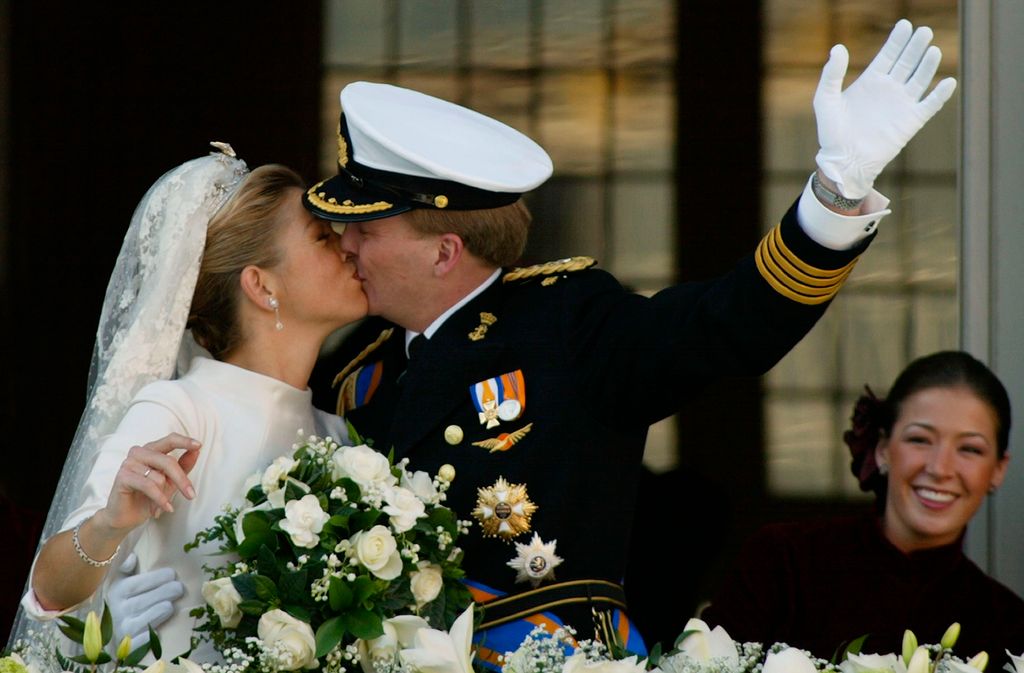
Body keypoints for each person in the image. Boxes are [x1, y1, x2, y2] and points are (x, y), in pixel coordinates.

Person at [300, 19, 955, 665]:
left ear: (444, 251)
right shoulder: (360, 365)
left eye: (368, 229)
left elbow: (724, 325)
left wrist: (835, 197)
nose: (346, 243)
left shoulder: (568, 324)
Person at [9, 144, 368, 662]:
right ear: (262, 285)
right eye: (321, 237)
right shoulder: (180, 409)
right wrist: (109, 523)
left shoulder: (336, 434)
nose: (347, 246)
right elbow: (50, 591)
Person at [700, 351, 1024, 667]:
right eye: (920, 440)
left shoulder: (1008, 627)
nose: (940, 468)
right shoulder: (784, 561)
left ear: (997, 469)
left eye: (969, 448)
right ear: (883, 449)